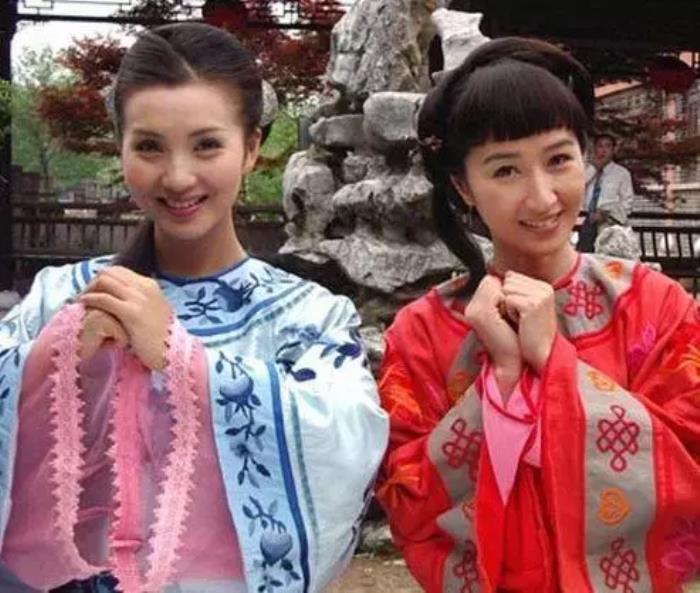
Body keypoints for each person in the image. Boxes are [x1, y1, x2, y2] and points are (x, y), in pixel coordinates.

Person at [0, 23, 388, 593]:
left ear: (251, 148)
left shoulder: (310, 316)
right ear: (120, 146)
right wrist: (54, 358)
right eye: (149, 147)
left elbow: (345, 442)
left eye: (207, 145)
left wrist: (183, 359)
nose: (178, 176)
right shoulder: (63, 296)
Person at [376, 37, 700, 593]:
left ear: (586, 157)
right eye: (505, 171)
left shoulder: (657, 305)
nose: (543, 197)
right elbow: (409, 501)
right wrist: (500, 381)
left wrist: (556, 363)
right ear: (463, 186)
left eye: (558, 160)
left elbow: (690, 461)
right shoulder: (421, 334)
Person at [577, 133, 634, 252]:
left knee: (607, 258)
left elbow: (627, 203)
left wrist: (607, 213)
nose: (603, 150)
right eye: (600, 146)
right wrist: (594, 168)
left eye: (607, 146)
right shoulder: (588, 171)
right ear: (594, 149)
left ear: (613, 150)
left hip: (610, 224)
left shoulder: (622, 173)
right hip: (588, 220)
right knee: (585, 255)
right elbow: (577, 187)